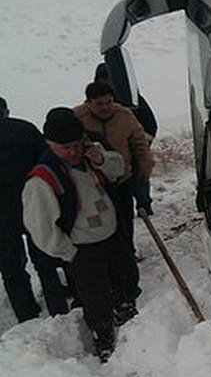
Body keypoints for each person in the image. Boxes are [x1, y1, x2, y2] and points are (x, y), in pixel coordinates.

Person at [22, 108, 138, 362]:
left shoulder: (90, 154)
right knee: (95, 298)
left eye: (76, 144)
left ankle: (129, 313)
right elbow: (41, 229)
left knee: (126, 278)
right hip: (82, 249)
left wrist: (101, 158)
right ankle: (104, 339)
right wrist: (69, 252)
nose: (73, 151)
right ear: (50, 143)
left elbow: (118, 169)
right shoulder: (41, 180)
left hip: (112, 237)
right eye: (65, 147)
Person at [0, 96, 71, 322]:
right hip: (33, 204)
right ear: (6, 111)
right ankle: (57, 308)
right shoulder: (24, 129)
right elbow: (47, 160)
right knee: (45, 258)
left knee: (11, 268)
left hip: (2, 217)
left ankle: (27, 315)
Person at [73, 81, 154, 276]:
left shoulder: (124, 115)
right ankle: (104, 260)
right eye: (99, 104)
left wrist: (145, 163)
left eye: (108, 102)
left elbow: (139, 142)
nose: (105, 107)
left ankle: (128, 254)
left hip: (121, 179)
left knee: (124, 218)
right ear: (88, 103)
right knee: (99, 222)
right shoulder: (77, 117)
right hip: (92, 186)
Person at [94, 63, 158, 215]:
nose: (108, 83)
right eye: (104, 80)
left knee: (139, 176)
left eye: (109, 79)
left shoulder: (130, 98)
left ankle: (144, 206)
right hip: (107, 155)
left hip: (132, 150)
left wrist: (141, 144)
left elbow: (150, 124)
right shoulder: (94, 101)